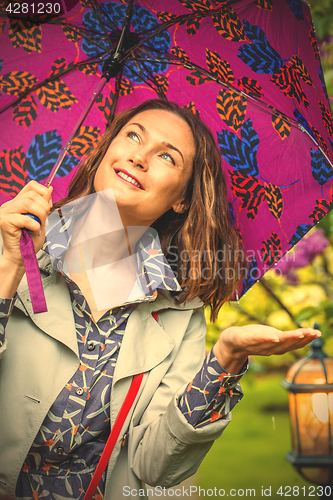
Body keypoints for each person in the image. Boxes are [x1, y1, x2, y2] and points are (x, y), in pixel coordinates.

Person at [0, 99, 320, 500]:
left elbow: (156, 465)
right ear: (104, 153)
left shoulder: (179, 311)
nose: (139, 156)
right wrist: (8, 269)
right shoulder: (12, 244)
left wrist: (225, 360)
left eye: (166, 156)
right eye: (133, 135)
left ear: (181, 200)